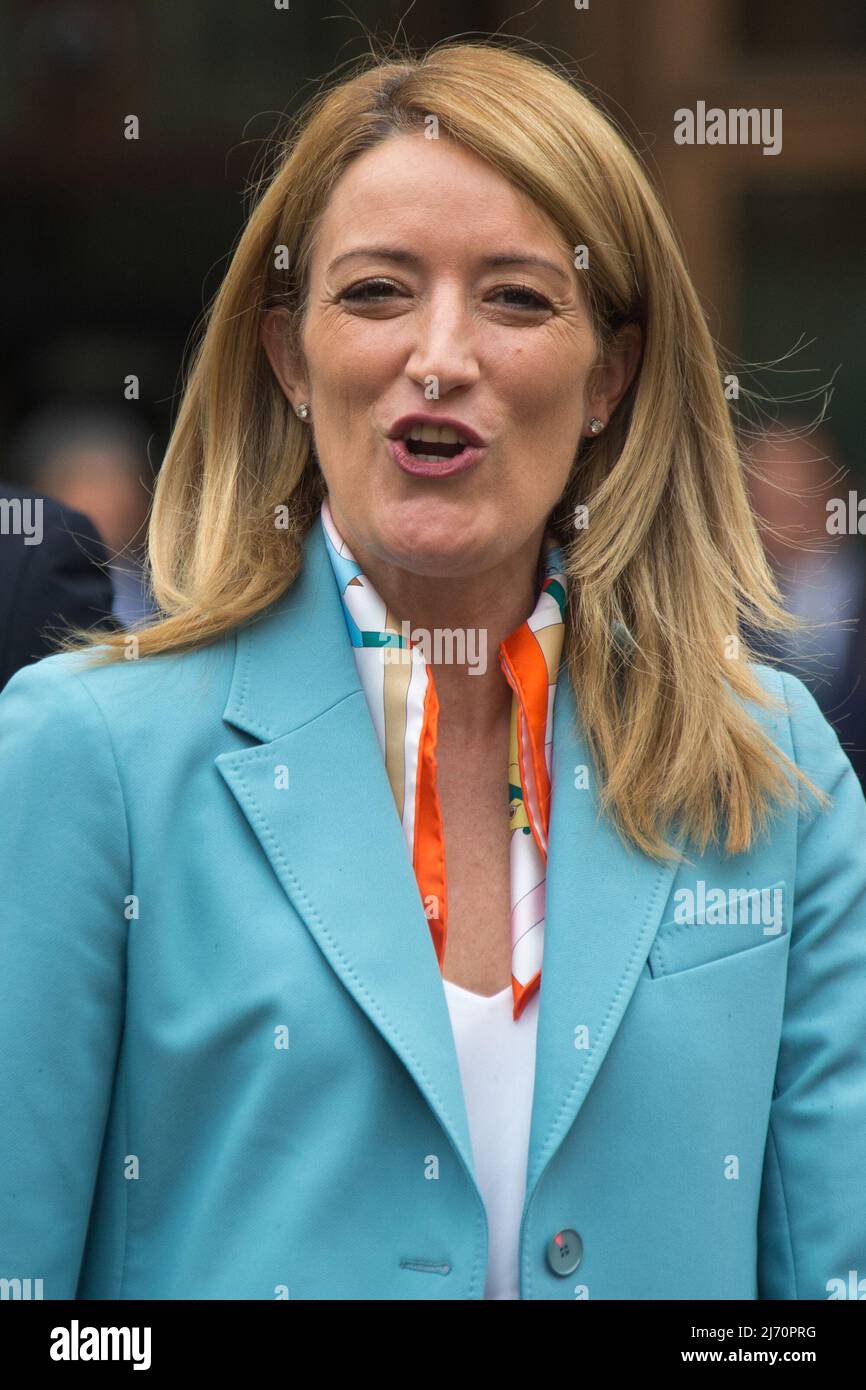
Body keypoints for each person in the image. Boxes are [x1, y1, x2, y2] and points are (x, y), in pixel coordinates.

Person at [0, 40, 864, 1302]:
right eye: (374, 293)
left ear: (608, 376)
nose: (441, 354)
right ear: (289, 358)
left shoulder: (773, 769)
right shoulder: (88, 754)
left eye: (516, 298)